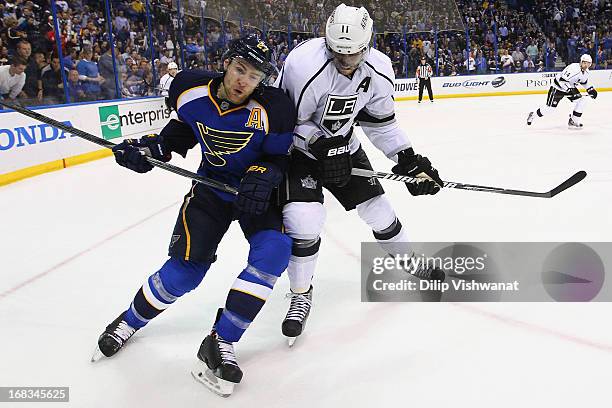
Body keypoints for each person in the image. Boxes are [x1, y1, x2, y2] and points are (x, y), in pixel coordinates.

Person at [92, 35, 295, 397]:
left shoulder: (275, 107)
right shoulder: (188, 87)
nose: (242, 82)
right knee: (186, 272)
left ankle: (221, 341)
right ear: (226, 64)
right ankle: (128, 321)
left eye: (253, 77)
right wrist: (150, 149)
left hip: (253, 196)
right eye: (239, 70)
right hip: (211, 189)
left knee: (276, 250)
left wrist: (263, 176)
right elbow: (182, 130)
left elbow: (278, 158)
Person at [274, 3, 443, 346]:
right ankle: (301, 294)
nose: (344, 61)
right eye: (337, 53)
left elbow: (380, 123)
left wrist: (407, 158)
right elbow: (280, 120)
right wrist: (318, 142)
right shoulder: (302, 65)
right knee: (303, 221)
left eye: (352, 55)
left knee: (379, 210)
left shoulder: (379, 69)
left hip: (346, 147)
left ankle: (407, 260)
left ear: (368, 46)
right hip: (300, 154)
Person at [527, 54, 598, 130]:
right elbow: (561, 80)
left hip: (570, 87)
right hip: (557, 88)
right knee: (550, 109)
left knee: (582, 101)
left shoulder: (586, 72)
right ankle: (533, 115)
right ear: (581, 62)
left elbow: (584, 82)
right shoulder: (573, 68)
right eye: (585, 63)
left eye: (588, 63)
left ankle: (573, 120)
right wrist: (569, 89)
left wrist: (590, 89)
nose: (586, 65)